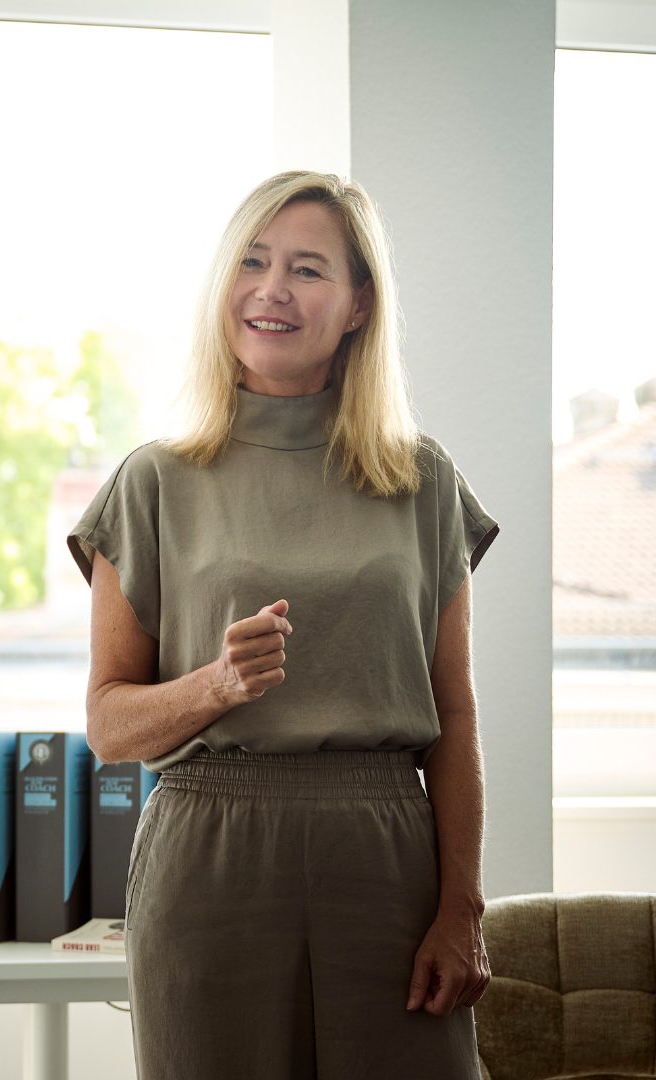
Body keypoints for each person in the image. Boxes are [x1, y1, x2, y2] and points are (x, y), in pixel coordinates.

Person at [68, 170, 498, 1078]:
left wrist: (461, 907)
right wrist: (215, 685)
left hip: (386, 855)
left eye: (307, 269)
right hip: (209, 857)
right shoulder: (154, 482)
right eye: (253, 262)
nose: (272, 289)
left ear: (357, 306)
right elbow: (109, 726)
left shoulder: (421, 481)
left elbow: (454, 714)